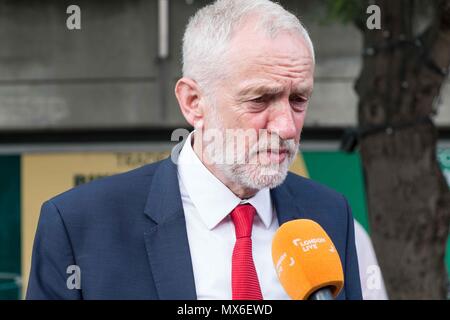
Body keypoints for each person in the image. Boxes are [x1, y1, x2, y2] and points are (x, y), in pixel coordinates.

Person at [27, 0, 362, 300]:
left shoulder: (329, 214)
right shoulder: (80, 225)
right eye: (260, 99)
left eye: (298, 99)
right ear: (193, 102)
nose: (287, 127)